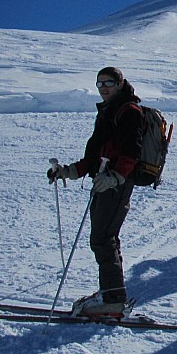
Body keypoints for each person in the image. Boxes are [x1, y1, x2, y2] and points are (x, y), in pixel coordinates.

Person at [47, 67, 144, 316]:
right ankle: (113, 294)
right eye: (100, 82)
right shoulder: (108, 111)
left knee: (103, 239)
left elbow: (132, 151)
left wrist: (116, 177)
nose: (103, 87)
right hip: (103, 181)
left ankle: (112, 300)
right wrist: (67, 171)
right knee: (105, 238)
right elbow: (94, 156)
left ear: (120, 84)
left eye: (109, 82)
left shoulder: (129, 111)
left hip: (115, 185)